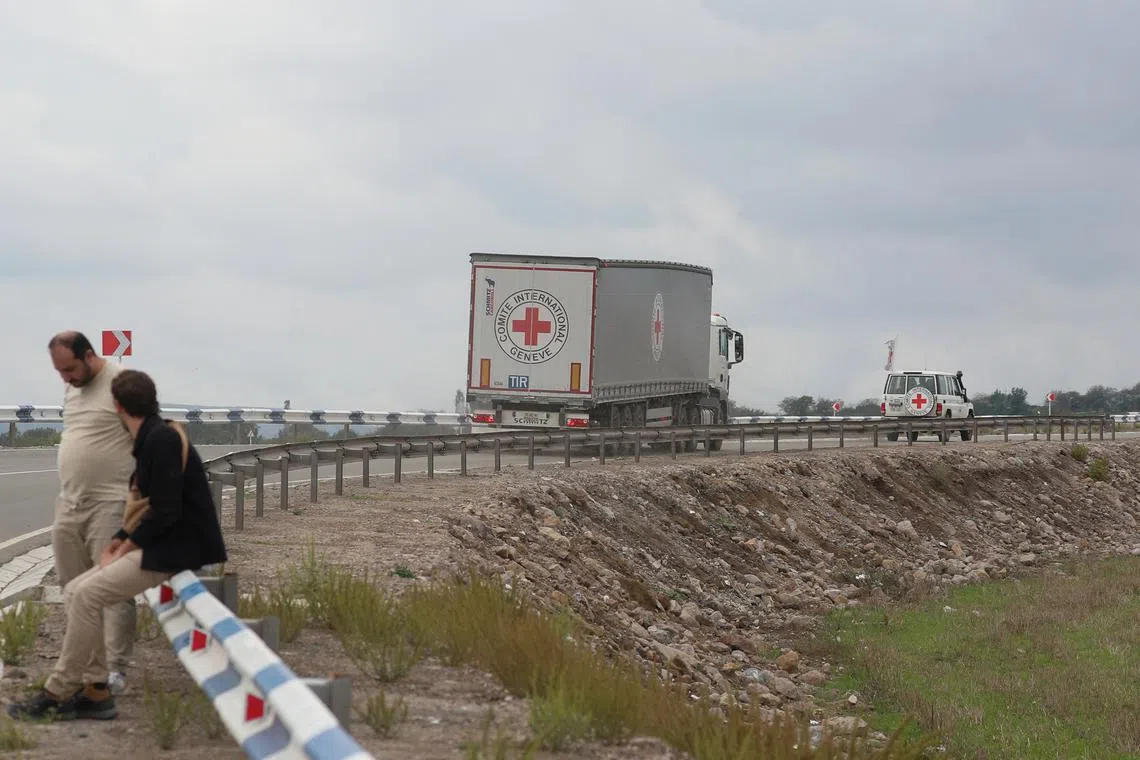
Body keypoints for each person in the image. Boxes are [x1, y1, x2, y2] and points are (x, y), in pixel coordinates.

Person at [7, 369, 228, 722]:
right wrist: (122, 540)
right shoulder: (154, 436)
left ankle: (58, 691)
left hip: (174, 550)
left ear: (117, 407)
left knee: (86, 595)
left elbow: (167, 511)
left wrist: (126, 545)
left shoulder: (161, 441)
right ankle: (95, 690)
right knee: (76, 589)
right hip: (162, 544)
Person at [47, 331, 137, 694]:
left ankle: (115, 669)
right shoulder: (72, 388)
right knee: (73, 589)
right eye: (59, 372)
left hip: (110, 503)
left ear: (88, 356)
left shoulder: (121, 384)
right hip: (69, 504)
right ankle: (90, 671)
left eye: (69, 369)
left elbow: (144, 439)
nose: (65, 378)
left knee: (110, 589)